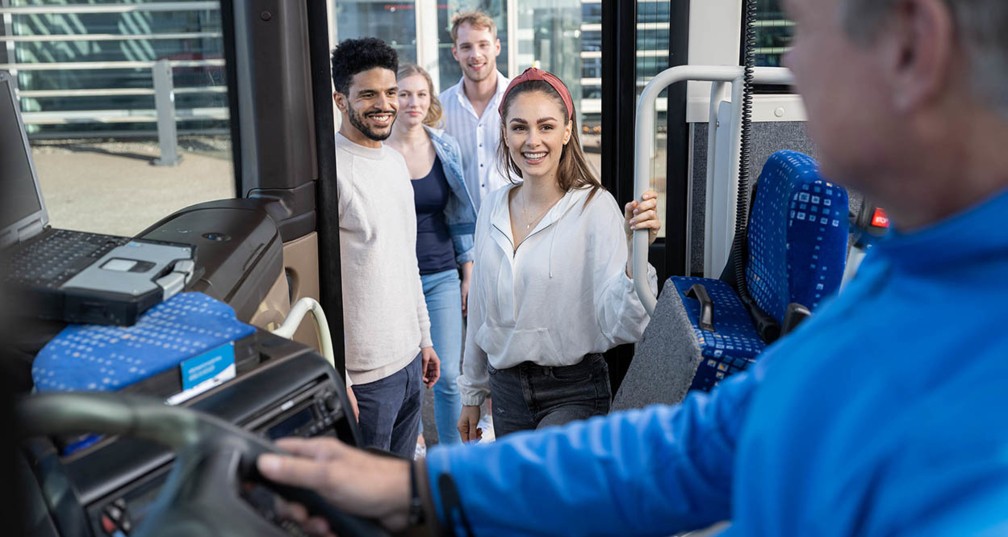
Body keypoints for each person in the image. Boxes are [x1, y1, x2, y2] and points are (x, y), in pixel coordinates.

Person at [259, 0, 1008, 534]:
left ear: (912, 48)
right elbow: (698, 448)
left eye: (806, 28)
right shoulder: (897, 282)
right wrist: (423, 485)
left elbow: (629, 327)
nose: (789, 61)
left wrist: (635, 250)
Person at [453, 67, 660, 441]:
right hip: (506, 390)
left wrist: (635, 253)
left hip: (573, 390)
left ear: (567, 132)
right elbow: (482, 310)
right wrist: (472, 392)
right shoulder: (493, 206)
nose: (533, 140)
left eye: (546, 126)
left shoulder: (595, 207)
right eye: (520, 127)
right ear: (505, 133)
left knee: (541, 490)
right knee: (521, 496)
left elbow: (628, 323)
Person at [329, 37, 440, 460]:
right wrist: (339, 375)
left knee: (398, 491)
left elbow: (405, 259)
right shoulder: (331, 171)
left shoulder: (394, 161)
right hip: (365, 379)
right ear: (341, 99)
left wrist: (424, 338)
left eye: (391, 92)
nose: (385, 104)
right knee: (365, 508)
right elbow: (319, 286)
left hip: (410, 361)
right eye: (369, 94)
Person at [386, 64, 477, 447]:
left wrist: (468, 271)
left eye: (421, 94)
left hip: (441, 273)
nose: (413, 102)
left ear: (430, 100)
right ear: (393, 99)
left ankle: (454, 457)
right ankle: (415, 444)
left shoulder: (445, 147)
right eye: (404, 93)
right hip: (394, 279)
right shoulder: (378, 151)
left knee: (450, 376)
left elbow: (457, 215)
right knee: (404, 376)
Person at [439, 10, 511, 212]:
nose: (475, 55)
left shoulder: (519, 98)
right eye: (466, 47)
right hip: (463, 234)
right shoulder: (440, 108)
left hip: (515, 224)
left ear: (496, 47)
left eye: (483, 45)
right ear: (455, 53)